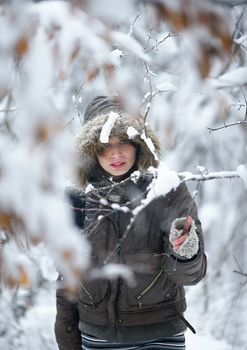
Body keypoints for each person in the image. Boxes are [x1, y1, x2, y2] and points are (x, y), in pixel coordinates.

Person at [55, 95, 207, 350]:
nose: (116, 153)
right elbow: (67, 278)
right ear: (91, 148)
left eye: (124, 140)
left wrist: (185, 253)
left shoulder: (166, 189)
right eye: (105, 143)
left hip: (160, 335)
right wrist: (68, 342)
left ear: (139, 143)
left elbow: (190, 275)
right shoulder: (77, 198)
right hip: (97, 337)